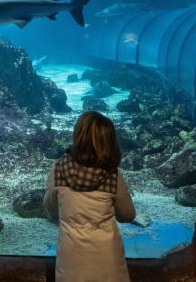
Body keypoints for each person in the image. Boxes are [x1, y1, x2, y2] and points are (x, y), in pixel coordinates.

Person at [44, 111, 136, 282]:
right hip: (107, 262)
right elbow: (128, 215)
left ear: (77, 135)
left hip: (71, 261)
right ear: (110, 143)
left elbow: (50, 208)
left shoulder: (58, 169)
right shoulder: (112, 176)